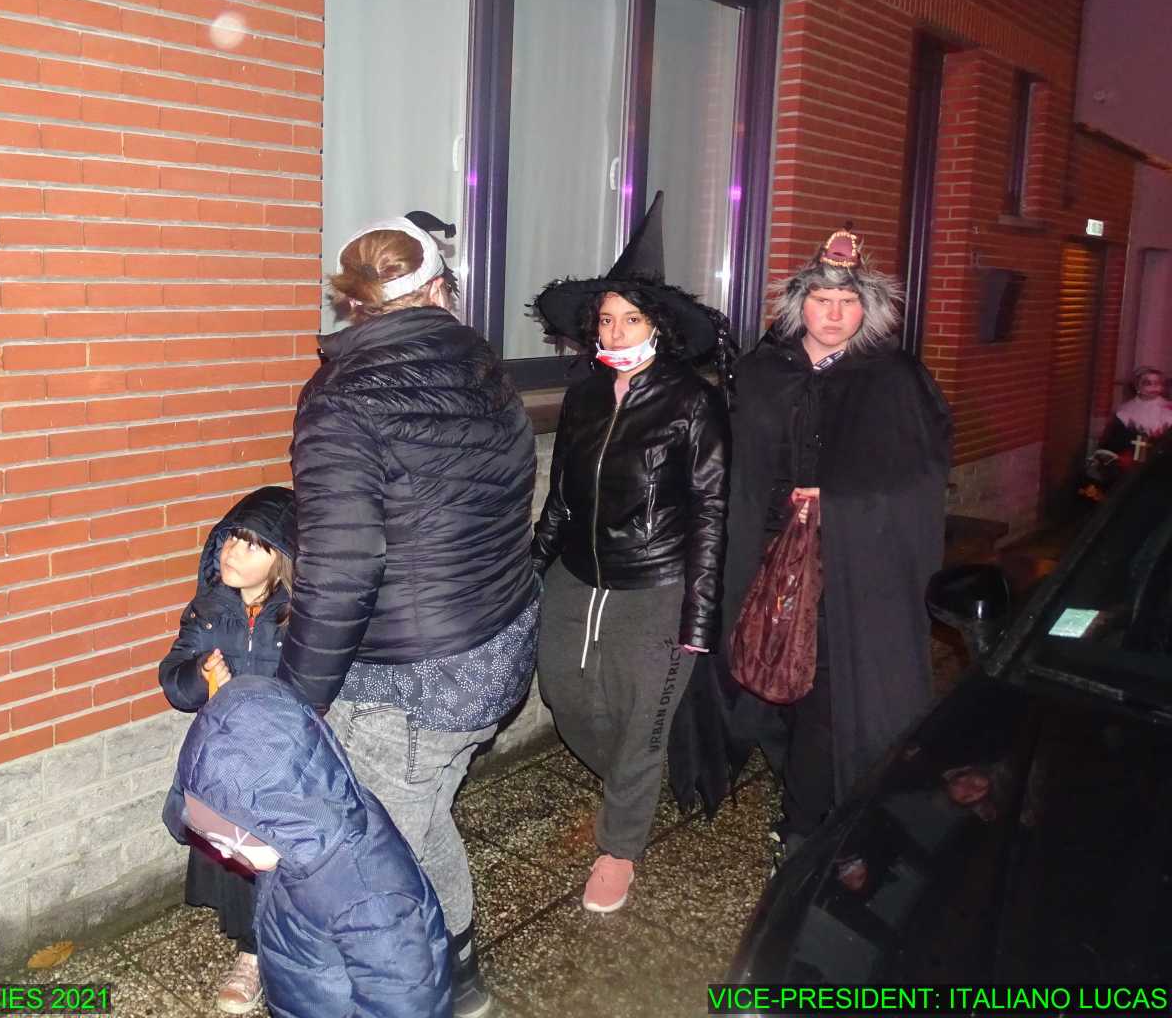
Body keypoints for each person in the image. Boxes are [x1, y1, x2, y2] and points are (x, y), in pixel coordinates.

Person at [279, 212, 539, 1017]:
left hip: (411, 677)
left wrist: (295, 702)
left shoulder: (342, 398)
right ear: (438, 290)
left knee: (377, 855)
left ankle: (414, 991)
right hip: (494, 642)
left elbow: (342, 568)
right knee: (421, 820)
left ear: (355, 301)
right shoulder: (486, 369)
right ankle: (458, 979)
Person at [719, 228, 951, 865]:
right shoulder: (762, 372)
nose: (833, 313)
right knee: (767, 676)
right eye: (821, 300)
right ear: (800, 305)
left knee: (825, 686)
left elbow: (919, 475)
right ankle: (798, 785)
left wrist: (837, 502)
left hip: (849, 564)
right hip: (767, 555)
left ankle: (803, 822)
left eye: (848, 302)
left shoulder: (893, 379)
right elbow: (735, 465)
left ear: (866, 310)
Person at [528, 229, 731, 913]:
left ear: (658, 327)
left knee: (643, 719)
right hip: (577, 575)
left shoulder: (692, 402)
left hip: (656, 584)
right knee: (566, 698)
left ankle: (619, 846)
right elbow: (561, 498)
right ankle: (631, 781)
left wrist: (699, 617)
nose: (615, 331)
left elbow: (711, 512)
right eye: (606, 319)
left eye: (631, 319)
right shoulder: (585, 396)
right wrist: (531, 569)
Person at [164, 677, 451, 1018]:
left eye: (232, 842)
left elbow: (404, 1005)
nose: (225, 855)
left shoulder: (371, 903)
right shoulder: (297, 837)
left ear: (277, 813)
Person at [158, 485, 295, 1015]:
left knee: (280, 857)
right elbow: (174, 681)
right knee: (240, 860)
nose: (233, 552)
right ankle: (250, 949)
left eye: (253, 545)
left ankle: (264, 952)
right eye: (231, 538)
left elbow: (315, 683)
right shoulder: (209, 608)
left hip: (280, 758)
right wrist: (200, 674)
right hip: (224, 760)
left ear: (282, 560)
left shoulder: (299, 615)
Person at [1099, 366, 1172, 462]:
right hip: (1129, 460)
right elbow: (1113, 442)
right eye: (1148, 383)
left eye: (1157, 383)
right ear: (1137, 386)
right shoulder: (1125, 411)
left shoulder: (1169, 410)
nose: (1154, 387)